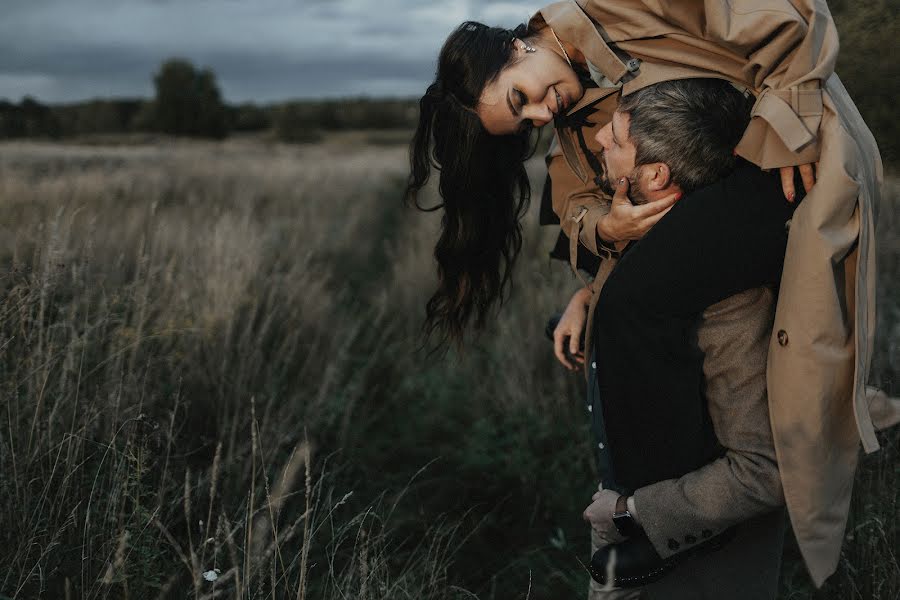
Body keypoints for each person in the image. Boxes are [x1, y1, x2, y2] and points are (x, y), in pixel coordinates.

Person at [405, 0, 896, 590]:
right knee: (633, 312)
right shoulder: (574, 117)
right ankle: (672, 509)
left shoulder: (615, 4)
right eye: (527, 122)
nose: (542, 112)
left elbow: (786, 15)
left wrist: (790, 116)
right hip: (715, 204)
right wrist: (602, 244)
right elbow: (581, 207)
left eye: (521, 97)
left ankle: (654, 519)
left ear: (514, 47)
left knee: (633, 305)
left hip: (792, 158)